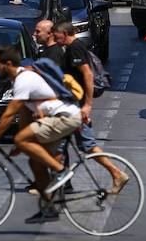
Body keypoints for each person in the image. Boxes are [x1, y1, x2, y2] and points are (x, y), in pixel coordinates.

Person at [0, 47, 82, 223]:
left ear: (8, 64)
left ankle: (61, 171)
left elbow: (10, 114)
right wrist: (22, 144)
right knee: (35, 162)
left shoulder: (23, 80)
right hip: (57, 118)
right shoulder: (18, 80)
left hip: (65, 117)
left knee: (21, 139)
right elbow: (24, 117)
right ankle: (49, 208)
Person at [52, 22, 128, 192]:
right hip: (70, 107)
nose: (55, 38)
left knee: (87, 145)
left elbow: (87, 74)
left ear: (64, 33)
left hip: (76, 109)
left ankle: (116, 173)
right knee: (60, 145)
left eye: (56, 35)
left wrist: (87, 105)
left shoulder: (75, 48)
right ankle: (62, 182)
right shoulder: (72, 48)